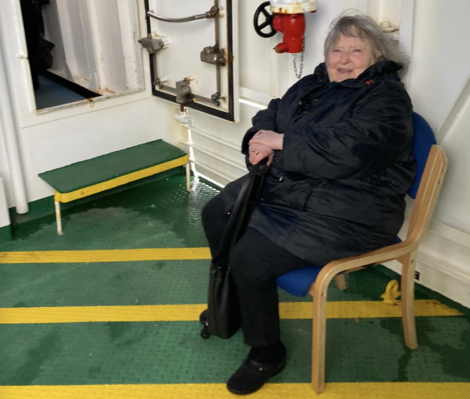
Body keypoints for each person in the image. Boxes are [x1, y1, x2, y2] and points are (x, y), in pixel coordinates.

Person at [201, 11, 416, 395]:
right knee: (217, 213)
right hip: (295, 188)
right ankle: (235, 305)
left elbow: (350, 150)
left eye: (355, 50)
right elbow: (274, 110)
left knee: (250, 258)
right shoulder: (314, 83)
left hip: (354, 210)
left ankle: (267, 351)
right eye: (336, 49)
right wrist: (258, 136)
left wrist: (280, 143)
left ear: (377, 57)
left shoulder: (386, 100)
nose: (343, 58)